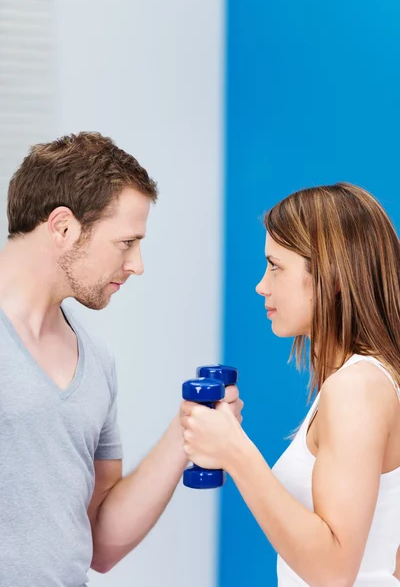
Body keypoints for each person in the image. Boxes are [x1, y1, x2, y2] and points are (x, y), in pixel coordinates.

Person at [0, 131, 243, 587]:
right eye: (125, 242)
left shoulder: (96, 361)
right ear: (63, 227)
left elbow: (101, 544)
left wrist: (185, 431)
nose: (137, 264)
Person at [181, 182, 400, 586]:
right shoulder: (365, 382)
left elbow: (334, 572)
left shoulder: (357, 388)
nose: (261, 285)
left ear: (333, 276)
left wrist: (235, 451)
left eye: (275, 266)